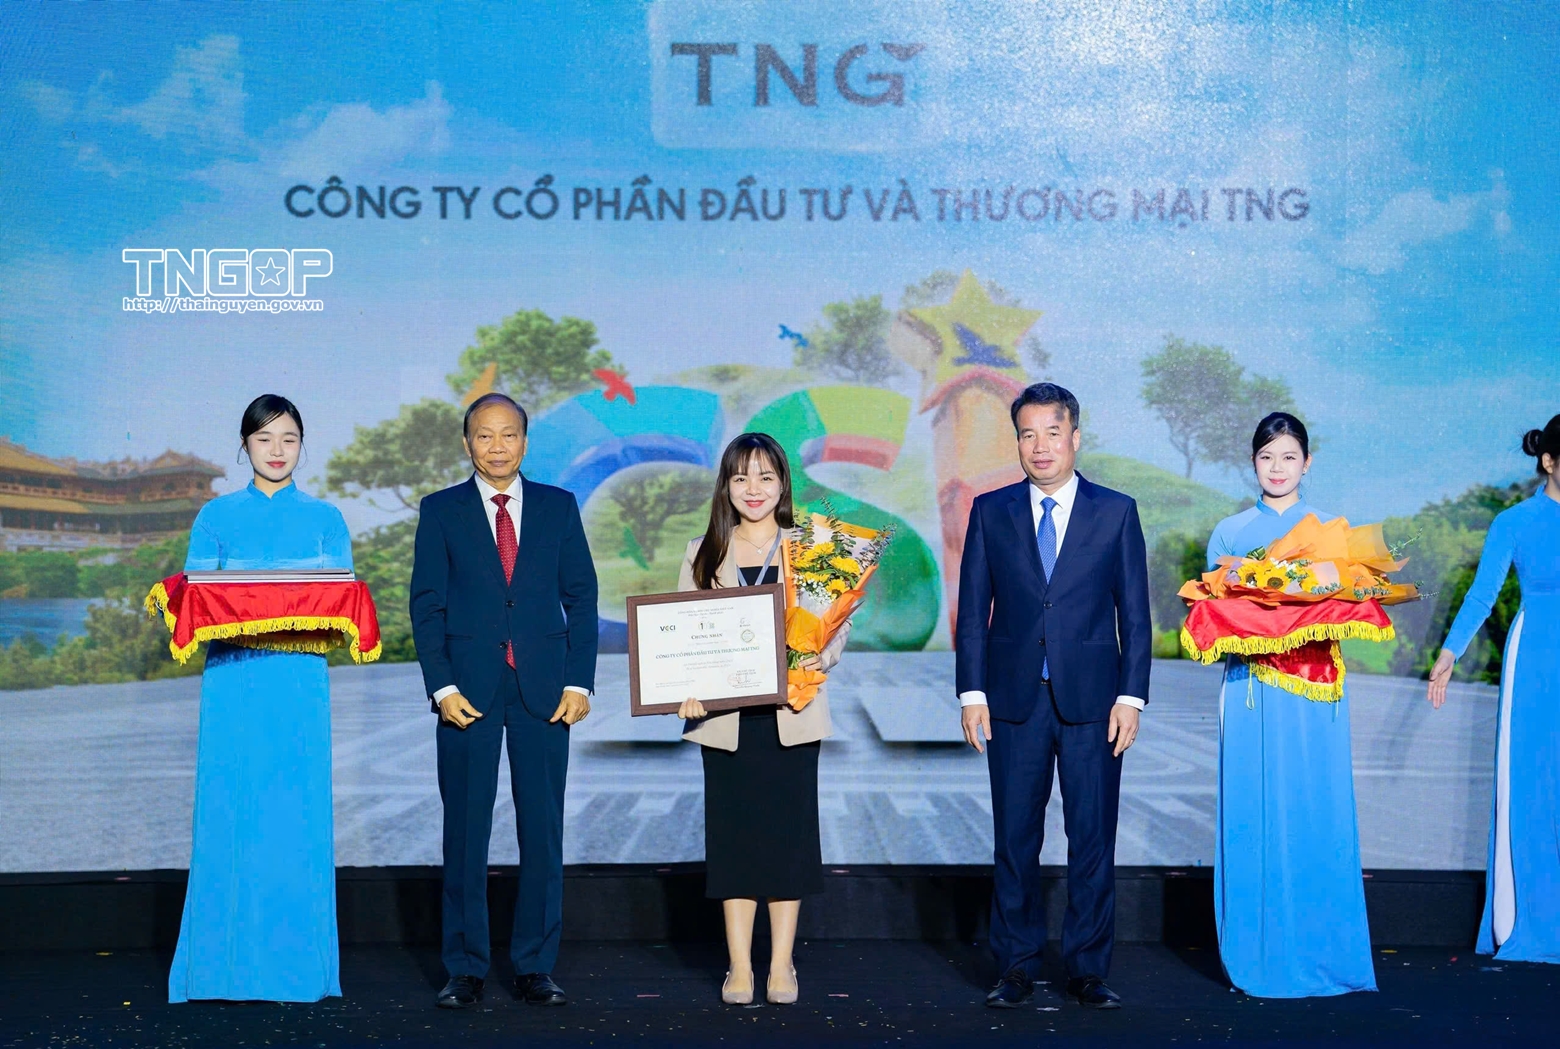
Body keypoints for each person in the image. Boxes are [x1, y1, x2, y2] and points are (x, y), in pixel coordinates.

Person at [956, 382, 1150, 1010]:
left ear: (1075, 438)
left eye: (1052, 433)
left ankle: (1087, 969)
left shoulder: (1115, 511)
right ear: (1017, 441)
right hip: (1012, 701)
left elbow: (1136, 616)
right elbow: (973, 611)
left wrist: (1131, 698)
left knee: (1092, 838)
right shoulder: (991, 511)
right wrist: (972, 692)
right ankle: (1014, 966)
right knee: (1014, 839)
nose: (1040, 446)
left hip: (1095, 704)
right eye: (1027, 434)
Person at [409, 392, 598, 1009]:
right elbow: (427, 605)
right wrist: (442, 687)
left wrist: (579, 682)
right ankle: (464, 968)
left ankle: (535, 966)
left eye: (509, 434)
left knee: (542, 831)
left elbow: (582, 597)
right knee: (465, 832)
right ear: (467, 443)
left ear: (525, 440)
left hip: (545, 691)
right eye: (484, 436)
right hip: (467, 693)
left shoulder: (558, 506)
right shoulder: (440, 510)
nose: (497, 447)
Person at [168, 394, 352, 1003]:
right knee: (231, 809)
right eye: (264, 439)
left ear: (303, 445)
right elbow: (197, 598)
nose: (277, 451)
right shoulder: (215, 516)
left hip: (299, 684)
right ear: (244, 444)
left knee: (295, 815)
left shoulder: (326, 518)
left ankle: (297, 970)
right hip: (234, 683)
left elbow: (339, 603)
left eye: (289, 439)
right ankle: (218, 971)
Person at [1205, 412, 1376, 997]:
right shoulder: (1230, 533)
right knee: (1253, 808)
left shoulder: (1331, 531)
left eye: (1288, 457)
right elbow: (1211, 611)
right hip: (1251, 690)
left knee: (1315, 805)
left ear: (1307, 462)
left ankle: (1324, 951)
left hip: (1316, 693)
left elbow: (1351, 603)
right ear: (1252, 462)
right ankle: (1256, 952)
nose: (1277, 468)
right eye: (1266, 457)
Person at [675, 433, 845, 1007]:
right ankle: (739, 966)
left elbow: (835, 624)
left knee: (788, 843)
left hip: (791, 716)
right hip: (726, 725)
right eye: (741, 477)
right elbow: (681, 639)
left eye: (766, 477)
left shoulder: (811, 549)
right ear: (726, 486)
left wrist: (823, 654)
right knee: (734, 845)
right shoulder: (703, 552)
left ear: (782, 485)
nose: (754, 488)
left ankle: (781, 964)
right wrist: (683, 692)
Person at [1428, 414, 1560, 964]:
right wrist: (1450, 652)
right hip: (1536, 662)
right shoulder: (1515, 521)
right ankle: (1530, 920)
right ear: (1549, 461)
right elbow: (1483, 595)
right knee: (1532, 784)